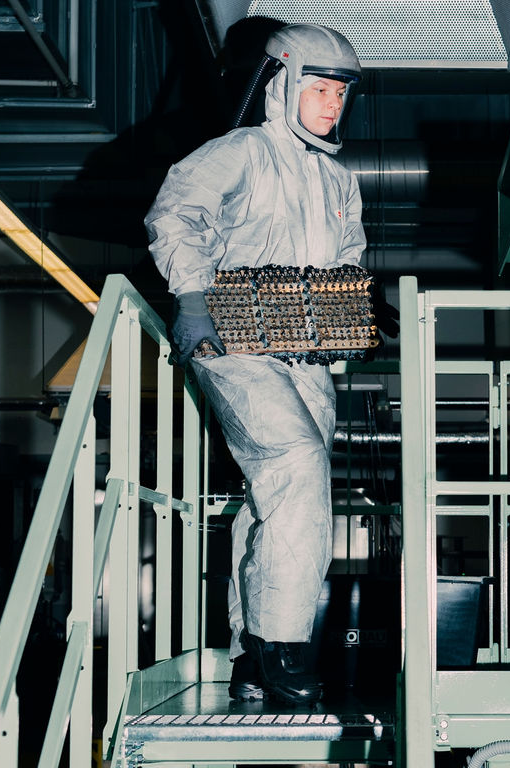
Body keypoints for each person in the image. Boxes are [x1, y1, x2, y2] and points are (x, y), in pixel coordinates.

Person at [144, 23, 364, 705]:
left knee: (281, 498)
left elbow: (348, 257)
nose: (332, 105)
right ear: (283, 85)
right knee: (297, 462)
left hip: (306, 355)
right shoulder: (240, 152)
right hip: (231, 334)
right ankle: (283, 646)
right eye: (319, 89)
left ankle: (246, 656)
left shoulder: (338, 179)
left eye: (341, 94)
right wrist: (189, 297)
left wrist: (344, 327)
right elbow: (176, 214)